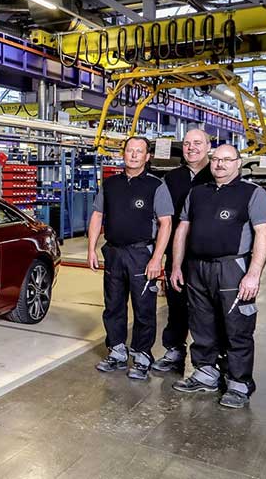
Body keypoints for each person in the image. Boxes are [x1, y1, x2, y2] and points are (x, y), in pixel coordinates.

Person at [169, 144, 266, 409]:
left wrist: (253, 274)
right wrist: (177, 266)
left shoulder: (253, 193)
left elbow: (263, 233)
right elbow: (182, 230)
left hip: (232, 268)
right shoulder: (197, 193)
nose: (220, 164)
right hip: (197, 268)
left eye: (227, 160)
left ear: (238, 163)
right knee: (201, 322)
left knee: (237, 326)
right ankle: (206, 372)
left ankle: (239, 382)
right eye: (216, 159)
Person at [87, 136, 173, 380]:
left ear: (147, 157)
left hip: (141, 254)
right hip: (114, 252)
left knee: (143, 307)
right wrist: (92, 248)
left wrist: (157, 259)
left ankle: (142, 355)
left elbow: (166, 224)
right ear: (123, 154)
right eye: (130, 151)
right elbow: (97, 215)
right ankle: (116, 351)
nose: (134, 155)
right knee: (113, 305)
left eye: (139, 152)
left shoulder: (156, 186)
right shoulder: (110, 184)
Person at [152, 129, 214, 373]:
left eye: (197, 143)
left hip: (208, 255)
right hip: (177, 254)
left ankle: (209, 360)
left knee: (207, 309)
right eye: (187, 144)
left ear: (208, 145)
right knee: (176, 304)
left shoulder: (218, 173)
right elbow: (162, 218)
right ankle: (174, 351)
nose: (191, 148)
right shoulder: (172, 178)